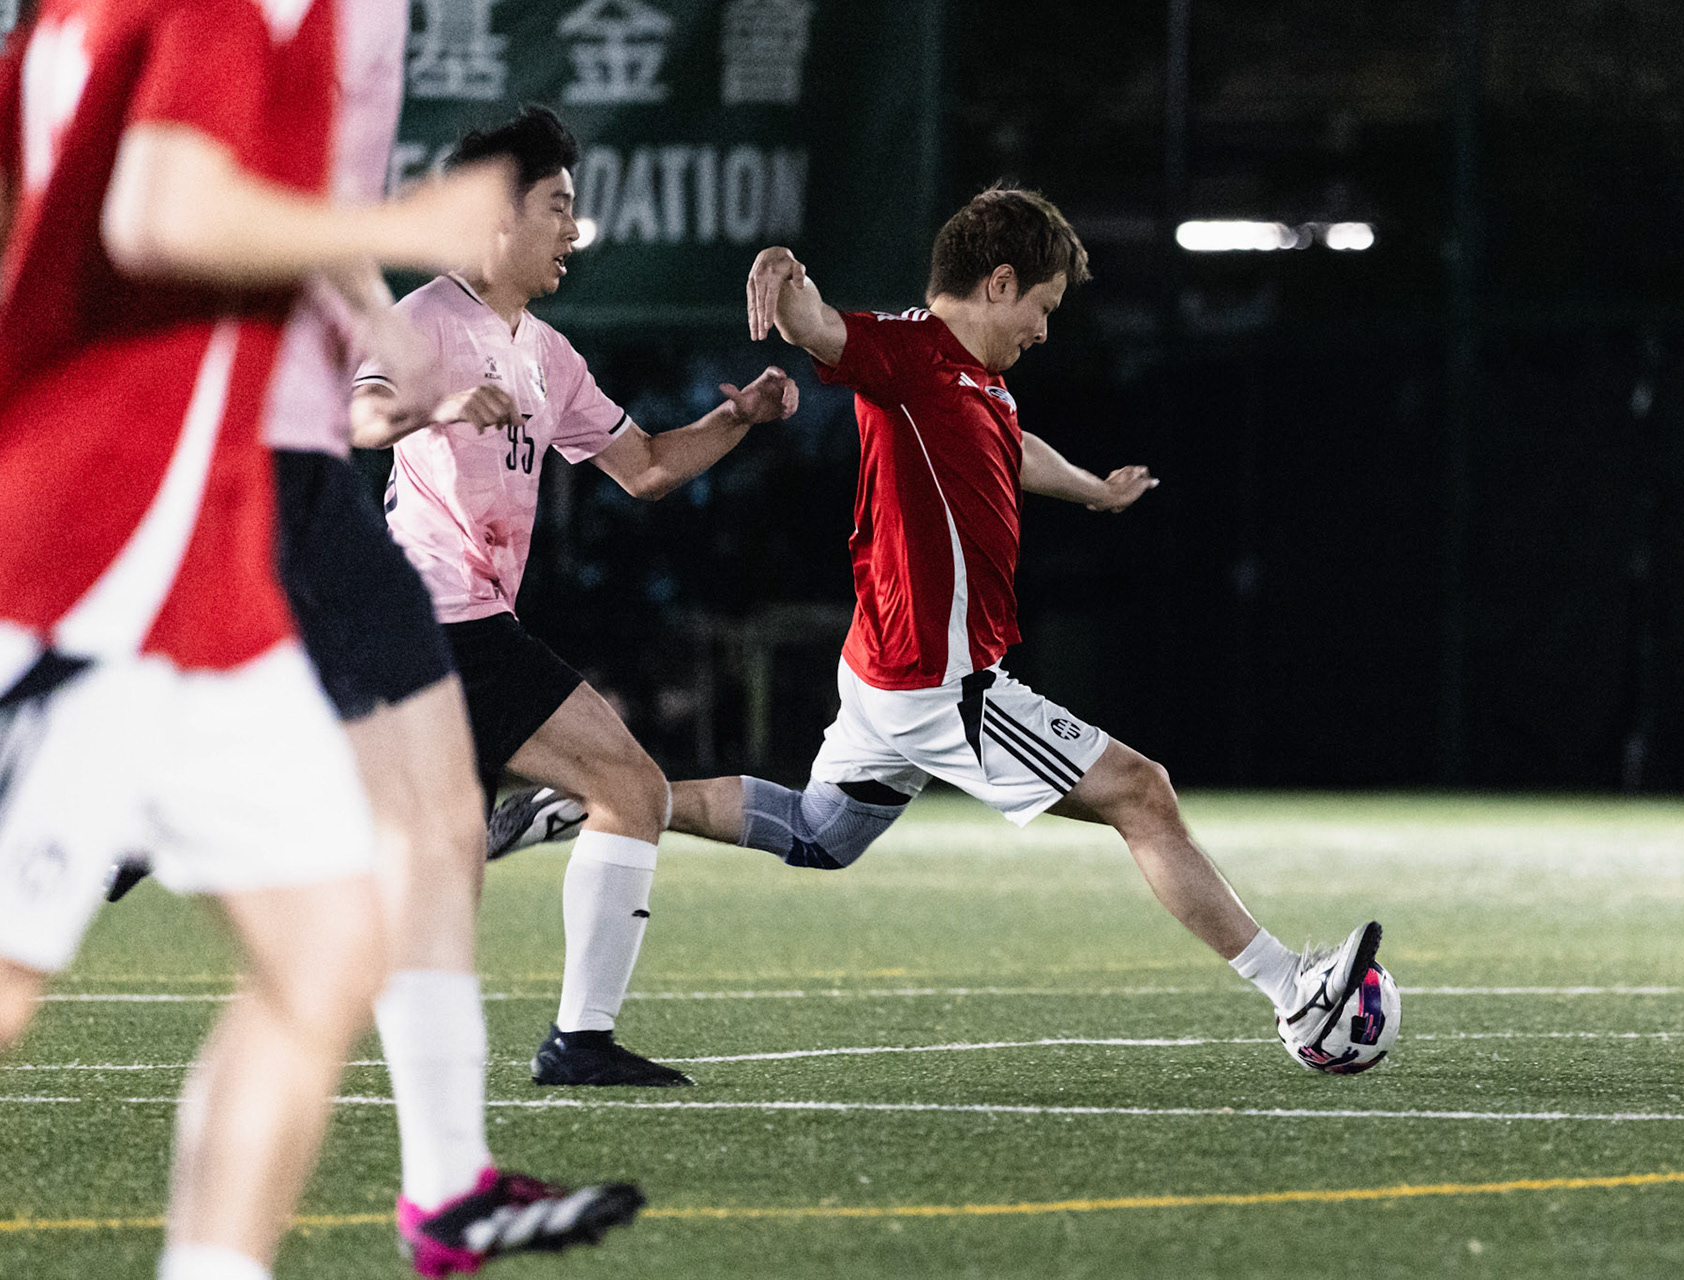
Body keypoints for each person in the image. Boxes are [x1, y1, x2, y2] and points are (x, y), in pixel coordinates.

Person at [0, 0, 618, 1277]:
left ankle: (431, 1194)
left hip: (222, 506)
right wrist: (404, 233)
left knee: (334, 938)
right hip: (112, 524)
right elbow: (164, 211)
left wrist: (391, 336)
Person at [652, 186, 1384, 1065]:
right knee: (1141, 793)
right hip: (940, 684)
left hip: (884, 669)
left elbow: (1014, 445)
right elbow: (818, 324)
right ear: (1000, 284)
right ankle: (1293, 997)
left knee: (818, 833)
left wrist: (1094, 490)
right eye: (1042, 308)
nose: (1044, 331)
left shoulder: (975, 382)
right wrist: (782, 271)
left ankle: (615, 798)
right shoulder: (909, 356)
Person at [351, 105, 799, 1088]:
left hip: (456, 630)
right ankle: (576, 1040)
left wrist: (740, 416)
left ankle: (472, 1074)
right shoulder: (427, 318)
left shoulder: (546, 353)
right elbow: (362, 410)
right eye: (556, 206)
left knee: (445, 880)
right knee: (631, 787)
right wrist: (440, 402)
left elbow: (641, 467)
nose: (572, 228)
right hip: (439, 622)